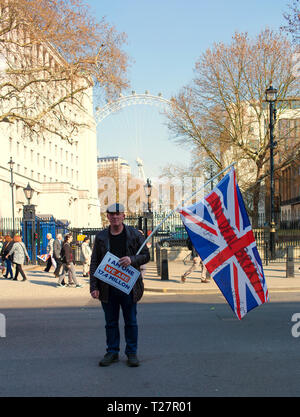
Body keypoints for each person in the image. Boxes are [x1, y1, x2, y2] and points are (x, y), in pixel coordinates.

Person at [90, 203, 150, 368]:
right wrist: (93, 286)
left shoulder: (134, 235)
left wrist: (132, 259)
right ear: (107, 217)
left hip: (129, 287)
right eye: (112, 214)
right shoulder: (101, 237)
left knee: (131, 321)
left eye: (118, 214)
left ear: (123, 216)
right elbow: (95, 261)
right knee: (110, 322)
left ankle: (131, 353)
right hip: (107, 288)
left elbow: (146, 255)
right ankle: (112, 352)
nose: (115, 217)